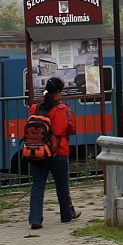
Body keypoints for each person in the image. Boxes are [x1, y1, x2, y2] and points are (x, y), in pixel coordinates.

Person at [27, 77, 80, 230]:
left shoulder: (34, 108)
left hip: (38, 151)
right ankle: (66, 214)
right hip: (58, 151)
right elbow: (71, 128)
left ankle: (35, 220)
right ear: (59, 92)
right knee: (62, 184)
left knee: (37, 185)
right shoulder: (65, 109)